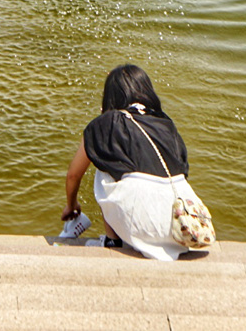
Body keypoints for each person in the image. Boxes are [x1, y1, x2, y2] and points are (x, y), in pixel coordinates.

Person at [62, 64, 196, 260]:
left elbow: (74, 174)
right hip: (183, 227)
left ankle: (112, 240)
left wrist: (71, 206)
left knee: (104, 160)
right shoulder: (167, 124)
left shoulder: (105, 123)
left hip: (144, 227)